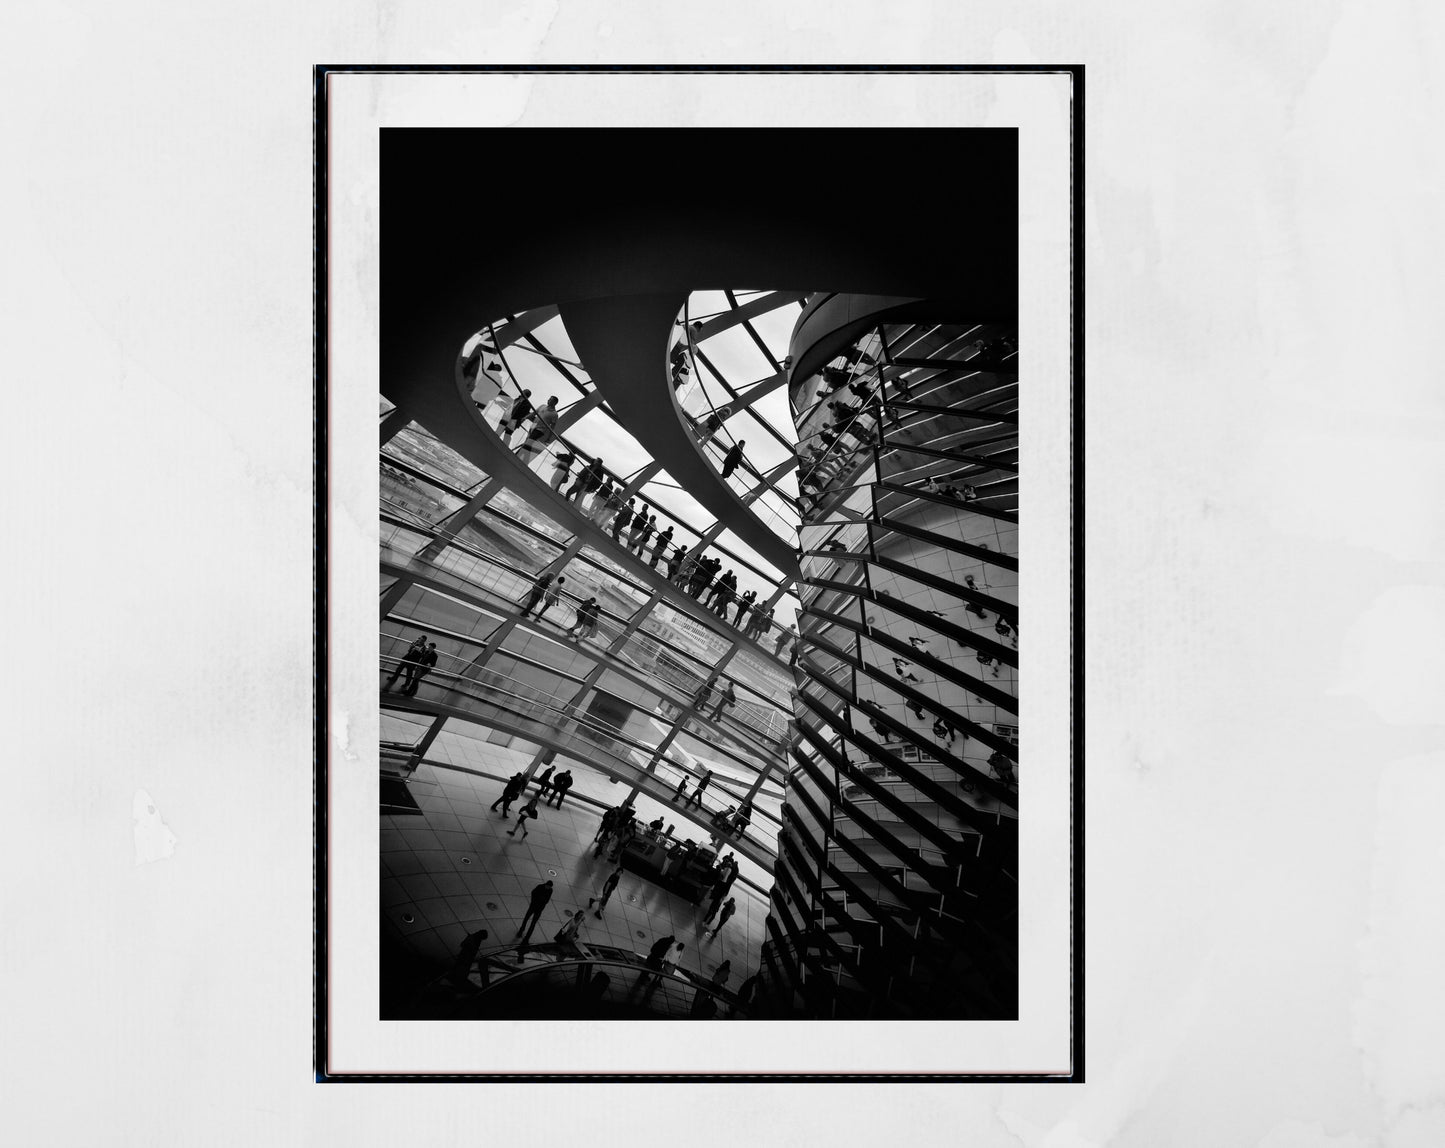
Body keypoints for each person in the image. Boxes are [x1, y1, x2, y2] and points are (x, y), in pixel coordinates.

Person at [516, 879, 554, 944]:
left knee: (533, 923)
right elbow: (533, 893)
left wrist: (542, 901)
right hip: (533, 906)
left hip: (539, 909)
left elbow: (547, 900)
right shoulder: (540, 887)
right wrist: (535, 901)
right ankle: (521, 930)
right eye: (548, 887)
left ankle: (527, 937)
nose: (548, 888)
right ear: (546, 885)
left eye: (550, 887)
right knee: (526, 918)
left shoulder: (550, 890)